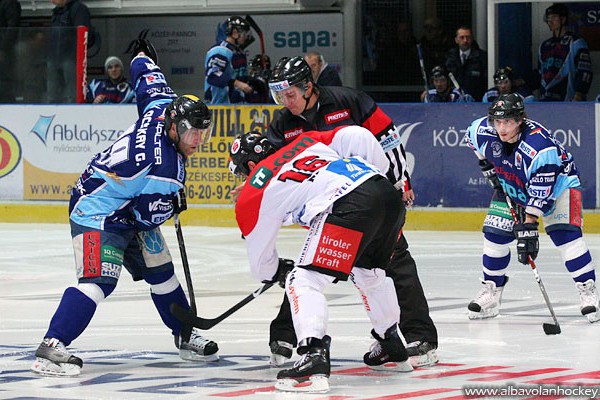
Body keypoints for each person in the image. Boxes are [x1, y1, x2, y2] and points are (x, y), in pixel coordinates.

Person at [30, 39, 219, 377]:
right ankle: (52, 345)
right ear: (175, 126)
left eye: (203, 134)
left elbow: (143, 71)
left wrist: (144, 55)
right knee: (99, 280)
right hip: (96, 210)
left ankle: (184, 334)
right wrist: (172, 205)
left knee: (161, 271)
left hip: (125, 201)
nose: (197, 142)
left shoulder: (162, 105)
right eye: (192, 133)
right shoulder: (165, 171)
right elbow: (149, 216)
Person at [265, 56, 439, 369]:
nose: (285, 102)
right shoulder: (283, 124)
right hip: (328, 205)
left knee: (396, 260)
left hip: (372, 199)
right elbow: (272, 167)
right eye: (279, 95)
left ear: (308, 87)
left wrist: (400, 184)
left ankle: (419, 335)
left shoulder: (349, 101)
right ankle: (286, 333)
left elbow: (389, 139)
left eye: (289, 93)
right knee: (311, 267)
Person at [229, 127, 413, 393]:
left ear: (249, 165)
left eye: (242, 172)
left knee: (302, 279)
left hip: (350, 205)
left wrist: (278, 271)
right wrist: (379, 171)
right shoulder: (304, 142)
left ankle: (313, 353)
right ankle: (391, 341)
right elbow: (357, 135)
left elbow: (261, 265)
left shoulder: (254, 190)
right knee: (368, 273)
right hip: (383, 193)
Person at [464, 93, 599, 323]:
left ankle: (588, 291)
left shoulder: (539, 147)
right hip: (513, 185)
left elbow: (541, 193)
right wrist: (486, 165)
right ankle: (492, 291)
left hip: (559, 186)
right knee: (494, 236)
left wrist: (528, 226)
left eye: (508, 121)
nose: (502, 127)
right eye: (498, 122)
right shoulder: (482, 130)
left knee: (566, 237)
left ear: (520, 120)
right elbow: (471, 139)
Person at [537, 3, 593, 101]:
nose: (550, 21)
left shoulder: (576, 42)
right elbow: (539, 73)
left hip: (568, 100)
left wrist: (579, 93)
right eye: (548, 18)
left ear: (563, 19)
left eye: (554, 17)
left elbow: (585, 71)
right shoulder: (544, 46)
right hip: (545, 100)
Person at [47, 0, 94, 103]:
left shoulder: (78, 9)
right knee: (52, 92)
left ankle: (73, 112)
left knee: (72, 93)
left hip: (71, 58)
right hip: (55, 57)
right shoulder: (56, 12)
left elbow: (84, 33)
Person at [204, 15, 253, 104]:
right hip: (218, 106)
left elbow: (239, 76)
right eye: (244, 33)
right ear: (234, 33)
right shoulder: (220, 51)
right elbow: (213, 76)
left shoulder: (239, 52)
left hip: (237, 105)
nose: (246, 37)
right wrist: (238, 83)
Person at [444, 26, 487, 101]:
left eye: (468, 37)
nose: (465, 40)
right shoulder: (449, 56)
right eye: (462, 37)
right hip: (453, 101)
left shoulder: (482, 57)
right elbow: (442, 75)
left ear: (472, 39)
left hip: (476, 100)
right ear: (456, 40)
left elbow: (486, 80)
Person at [0, 0, 21, 103]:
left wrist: (3, 49)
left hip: (4, 52)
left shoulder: (9, 3)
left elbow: (13, 28)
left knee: (4, 85)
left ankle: (8, 110)